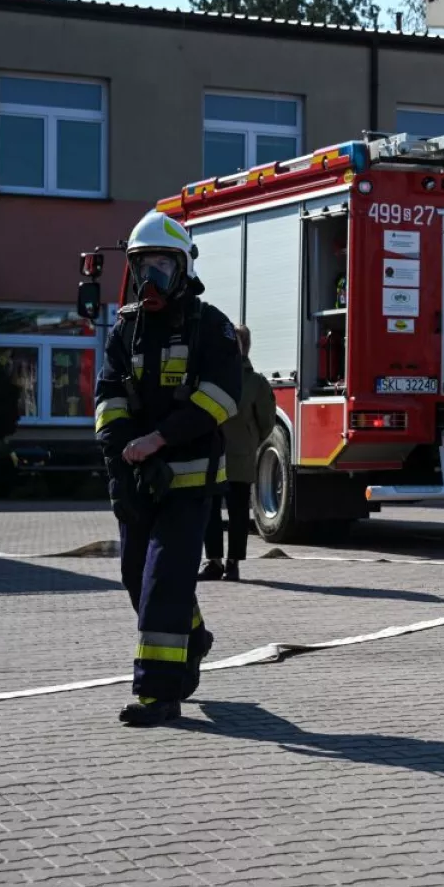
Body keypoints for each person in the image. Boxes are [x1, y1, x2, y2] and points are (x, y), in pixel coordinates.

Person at [93, 210, 242, 727]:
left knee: (163, 580)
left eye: (160, 265)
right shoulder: (126, 329)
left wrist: (158, 439)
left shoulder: (212, 327)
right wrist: (119, 460)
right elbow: (108, 397)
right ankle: (194, 638)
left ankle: (159, 693)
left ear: (182, 268)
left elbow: (221, 399)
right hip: (138, 477)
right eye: (141, 266)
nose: (149, 278)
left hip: (192, 482)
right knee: (137, 576)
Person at [202, 323, 276, 582]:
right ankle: (214, 561)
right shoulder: (214, 376)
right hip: (215, 454)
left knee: (236, 512)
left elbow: (267, 422)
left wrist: (248, 439)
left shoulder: (255, 382)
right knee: (210, 511)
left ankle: (231, 564)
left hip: (237, 455)